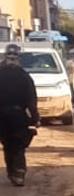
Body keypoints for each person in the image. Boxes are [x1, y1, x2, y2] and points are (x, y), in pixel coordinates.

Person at [0, 43, 39, 186]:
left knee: (12, 144)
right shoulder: (24, 76)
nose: (11, 59)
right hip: (12, 116)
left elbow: (31, 100)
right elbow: (31, 100)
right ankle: (16, 172)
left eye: (13, 56)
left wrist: (34, 118)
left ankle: (16, 172)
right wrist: (35, 119)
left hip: (13, 116)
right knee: (13, 144)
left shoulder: (24, 77)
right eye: (10, 56)